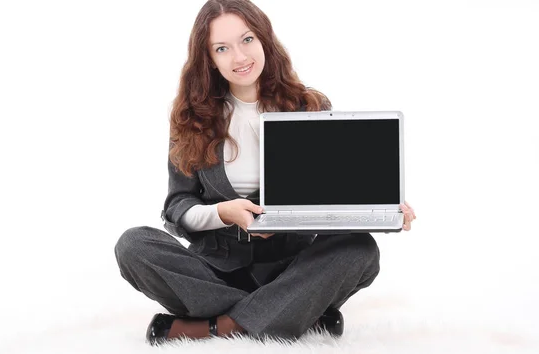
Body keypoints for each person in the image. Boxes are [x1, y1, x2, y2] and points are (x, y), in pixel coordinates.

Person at [114, 0, 417, 346]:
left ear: (264, 40)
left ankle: (220, 326)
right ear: (208, 58)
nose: (239, 58)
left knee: (361, 250)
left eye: (247, 40)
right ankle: (292, 313)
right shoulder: (191, 118)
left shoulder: (309, 106)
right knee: (132, 245)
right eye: (222, 48)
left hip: (290, 268)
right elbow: (177, 207)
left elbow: (333, 197)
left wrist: (381, 209)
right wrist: (221, 213)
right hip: (217, 270)